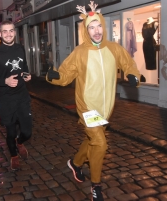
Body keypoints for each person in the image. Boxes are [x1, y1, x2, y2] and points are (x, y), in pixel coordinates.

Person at [46, 2, 145, 201]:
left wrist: (133, 75)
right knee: (100, 143)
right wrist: (54, 76)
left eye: (98, 25)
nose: (96, 30)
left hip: (106, 107)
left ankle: (75, 163)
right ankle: (96, 186)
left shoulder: (114, 48)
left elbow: (128, 63)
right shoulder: (80, 52)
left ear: (103, 25)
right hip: (87, 106)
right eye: (91, 27)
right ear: (86, 30)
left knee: (92, 140)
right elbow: (65, 74)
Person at [0, 20, 32, 170]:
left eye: (11, 31)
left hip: (22, 96)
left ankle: (20, 142)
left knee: (27, 132)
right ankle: (14, 156)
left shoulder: (20, 49)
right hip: (6, 99)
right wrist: (5, 81)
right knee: (10, 131)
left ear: (15, 33)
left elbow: (24, 67)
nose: (8, 34)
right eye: (5, 31)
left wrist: (26, 75)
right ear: (0, 34)